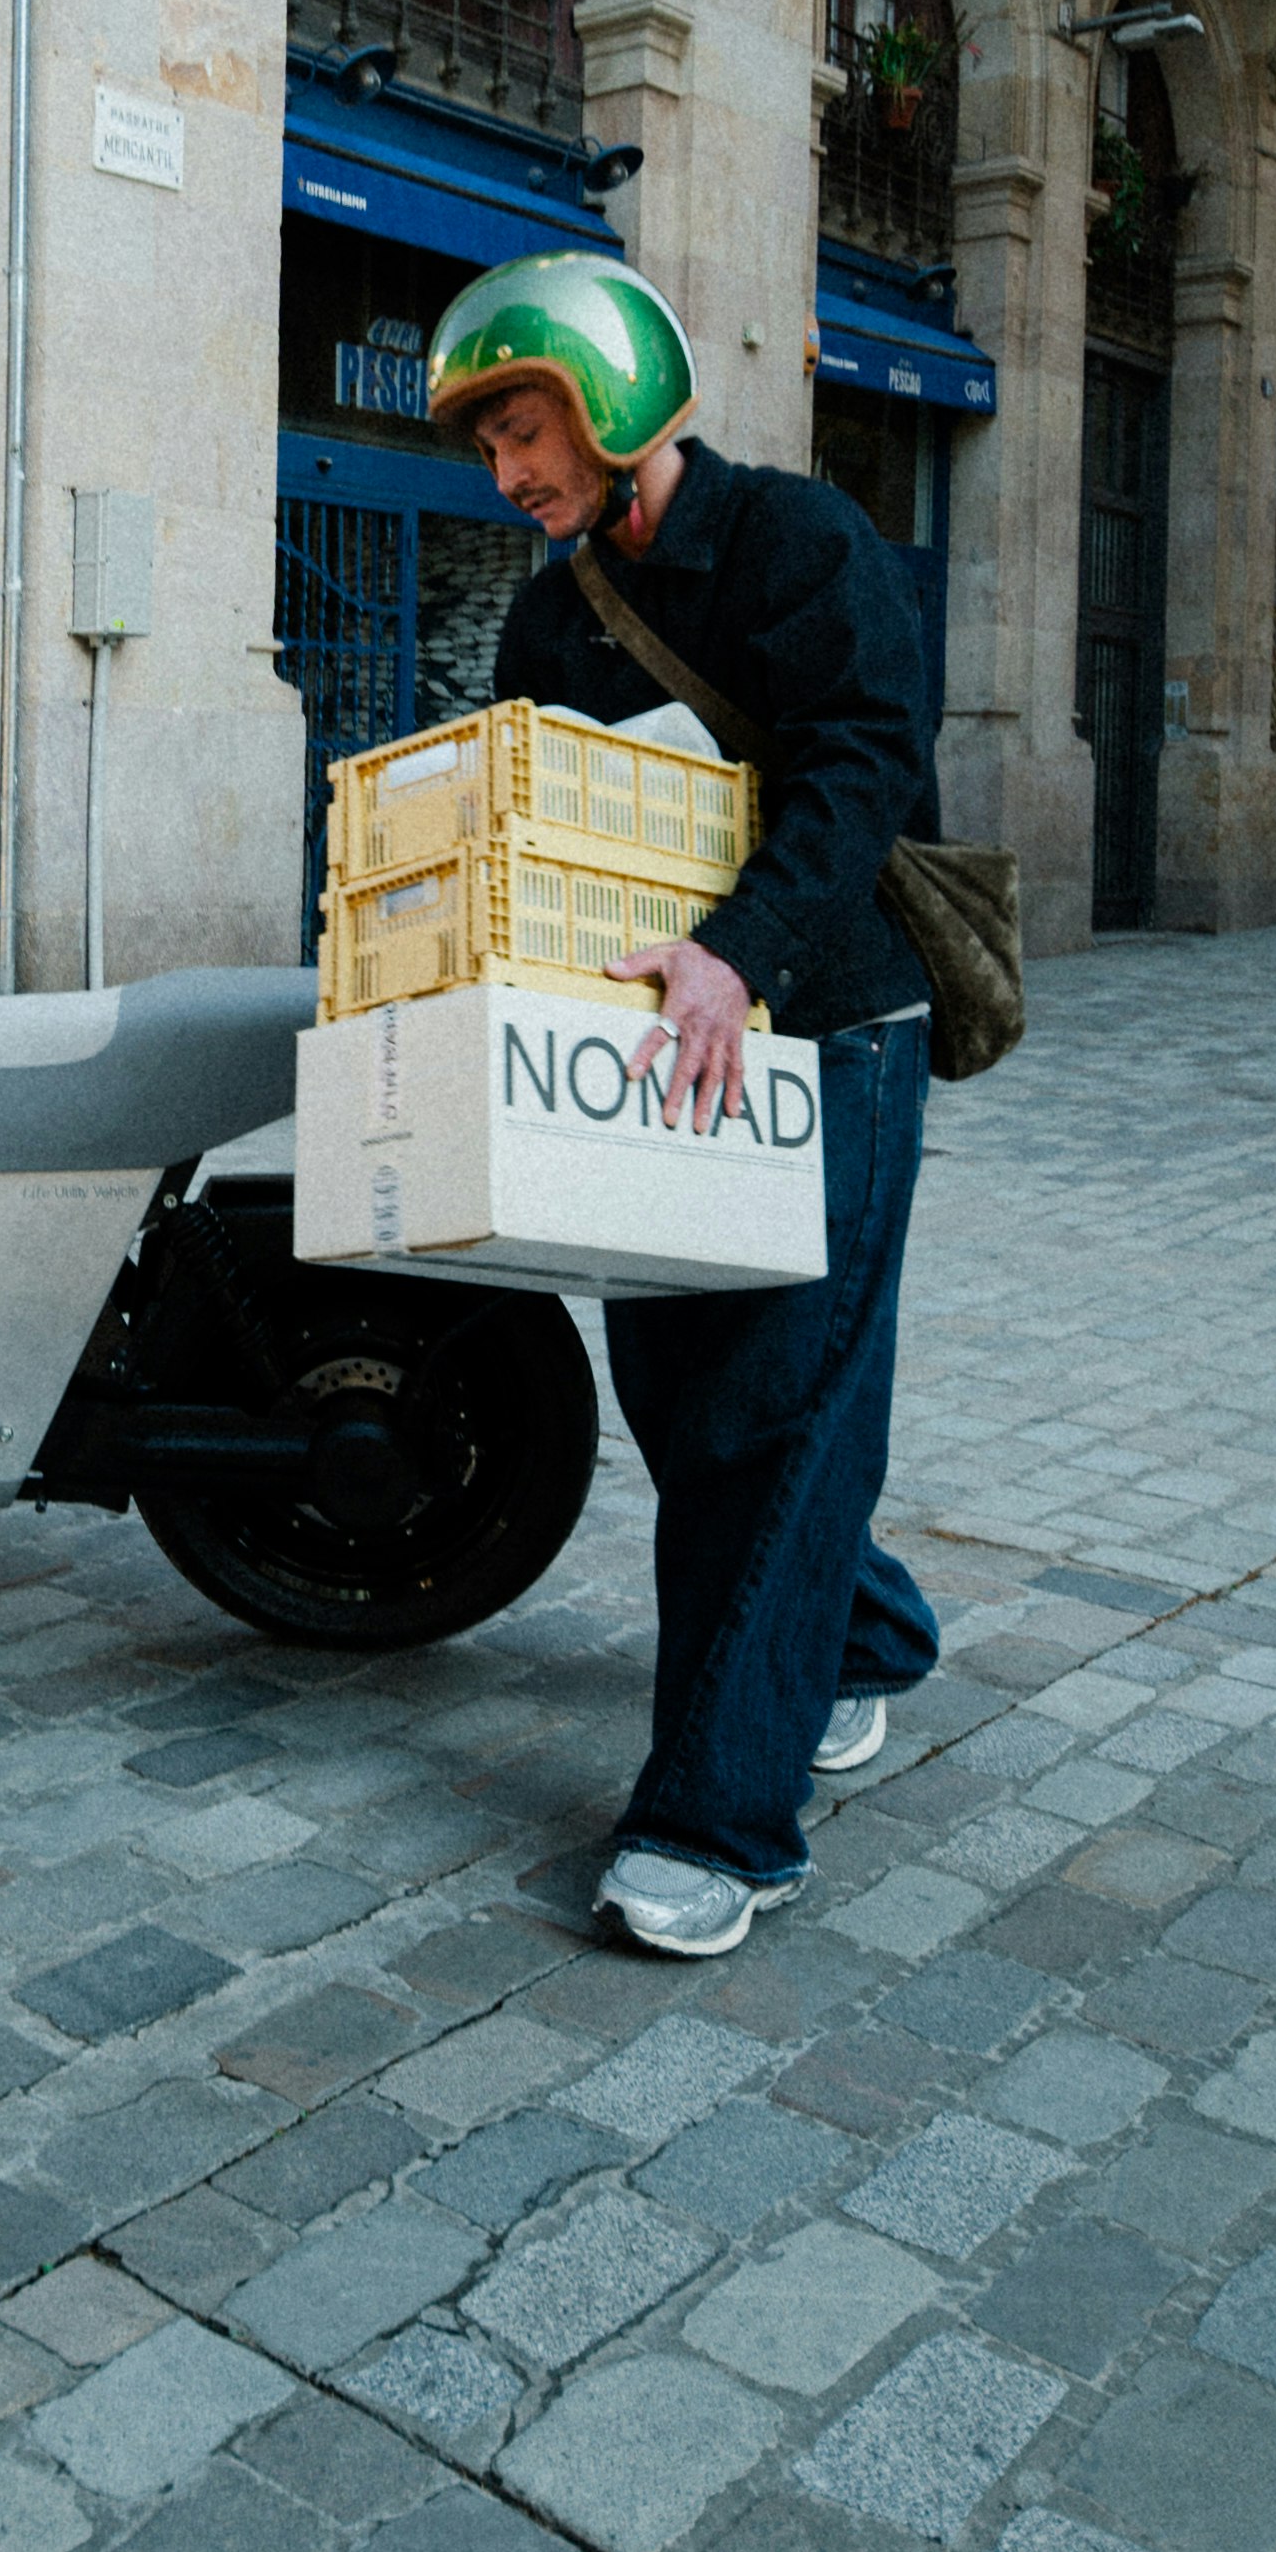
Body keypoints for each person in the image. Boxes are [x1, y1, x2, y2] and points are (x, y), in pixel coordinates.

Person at [423, 246, 944, 1962]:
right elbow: (534, 804)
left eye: (527, 428)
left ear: (619, 395)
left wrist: (740, 952)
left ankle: (719, 1821)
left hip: (830, 1027)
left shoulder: (804, 543)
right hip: (659, 1045)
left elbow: (864, 764)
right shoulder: (552, 614)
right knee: (682, 1392)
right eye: (493, 446)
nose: (510, 473)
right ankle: (855, 1633)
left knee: (779, 1399)